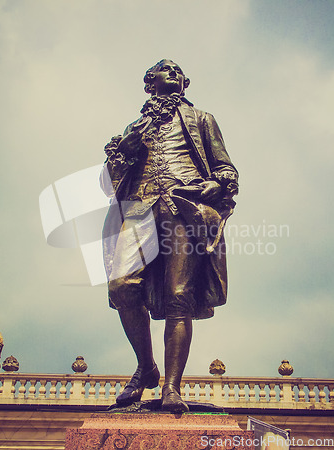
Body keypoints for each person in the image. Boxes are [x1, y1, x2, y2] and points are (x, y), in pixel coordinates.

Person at [101, 59, 238, 412]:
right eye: (167, 70)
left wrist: (215, 183)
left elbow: (225, 168)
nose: (175, 74)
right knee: (121, 287)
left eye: (179, 72)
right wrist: (124, 151)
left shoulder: (202, 120)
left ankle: (171, 387)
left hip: (182, 206)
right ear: (151, 83)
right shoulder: (134, 128)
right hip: (139, 208)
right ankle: (146, 367)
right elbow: (108, 183)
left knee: (180, 296)